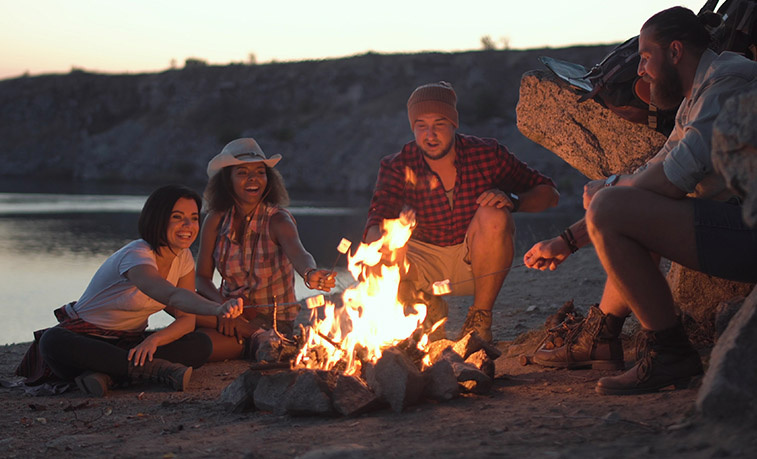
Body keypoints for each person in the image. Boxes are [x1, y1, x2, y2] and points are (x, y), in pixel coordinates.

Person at [523, 7, 757, 395]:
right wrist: (566, 241)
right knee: (618, 207)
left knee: (614, 207)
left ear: (676, 51)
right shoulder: (698, 93)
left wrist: (611, 188)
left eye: (646, 57)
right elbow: (651, 178)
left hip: (748, 230)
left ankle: (670, 354)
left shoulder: (727, 84)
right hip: (737, 224)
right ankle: (603, 336)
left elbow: (668, 182)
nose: (642, 70)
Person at [365, 81, 559, 342]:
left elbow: (550, 194)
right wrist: (376, 247)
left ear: (454, 123)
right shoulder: (397, 165)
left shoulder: (487, 155)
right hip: (421, 265)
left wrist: (513, 200)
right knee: (378, 242)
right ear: (413, 127)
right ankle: (424, 308)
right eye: (421, 125)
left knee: (494, 213)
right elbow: (377, 217)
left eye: (439, 124)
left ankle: (479, 319)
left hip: (475, 263)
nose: (430, 134)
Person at [22, 185, 244, 397]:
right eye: (177, 217)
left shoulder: (183, 257)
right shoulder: (137, 256)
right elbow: (171, 296)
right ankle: (154, 370)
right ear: (158, 218)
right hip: (86, 339)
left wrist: (154, 340)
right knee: (52, 340)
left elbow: (186, 321)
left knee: (199, 345)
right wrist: (218, 308)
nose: (188, 225)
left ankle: (107, 375)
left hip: (128, 342)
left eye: (194, 218)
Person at [194, 138, 335, 361]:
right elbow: (201, 278)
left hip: (272, 320)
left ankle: (263, 342)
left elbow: (299, 253)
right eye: (242, 173)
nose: (253, 179)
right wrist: (223, 307)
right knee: (177, 301)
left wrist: (311, 274)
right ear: (227, 180)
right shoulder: (215, 219)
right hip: (226, 311)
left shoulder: (278, 220)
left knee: (200, 344)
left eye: (260, 172)